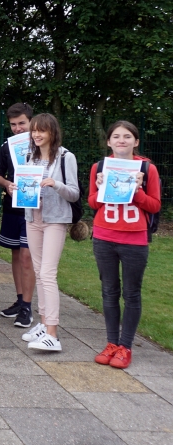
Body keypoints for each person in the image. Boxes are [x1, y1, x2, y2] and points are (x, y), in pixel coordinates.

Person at [88, 121, 160, 368]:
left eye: (127, 136)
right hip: (104, 237)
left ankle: (125, 346)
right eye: (116, 136)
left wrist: (137, 190)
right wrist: (100, 189)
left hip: (134, 239)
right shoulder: (99, 167)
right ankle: (111, 343)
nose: (121, 140)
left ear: (136, 141)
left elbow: (154, 205)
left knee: (131, 293)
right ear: (108, 141)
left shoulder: (147, 169)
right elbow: (93, 204)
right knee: (109, 291)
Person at [19, 114, 80, 352]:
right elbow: (26, 186)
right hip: (32, 217)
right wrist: (17, 187)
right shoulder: (28, 156)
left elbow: (74, 193)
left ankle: (53, 334)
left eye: (41, 131)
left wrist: (55, 183)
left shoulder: (66, 157)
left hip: (55, 220)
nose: (36, 135)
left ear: (52, 132)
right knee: (38, 271)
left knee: (47, 273)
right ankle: (44, 324)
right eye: (34, 131)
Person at [0, 103, 37, 328]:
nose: (18, 128)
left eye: (22, 123)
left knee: (27, 257)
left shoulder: (43, 144)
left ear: (31, 122)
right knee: (15, 255)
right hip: (13, 206)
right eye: (13, 124)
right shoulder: (7, 146)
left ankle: (28, 307)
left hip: (34, 208)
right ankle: (20, 300)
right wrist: (6, 184)